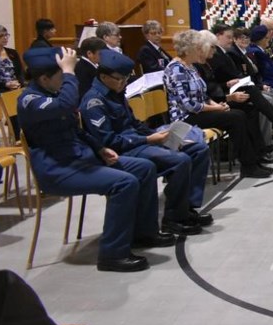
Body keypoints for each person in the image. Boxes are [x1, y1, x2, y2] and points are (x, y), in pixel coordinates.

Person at [18, 47, 171, 272]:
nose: (66, 81)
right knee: (124, 183)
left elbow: (76, 130)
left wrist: (100, 149)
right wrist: (70, 71)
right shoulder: (30, 100)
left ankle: (144, 233)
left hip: (81, 160)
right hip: (59, 170)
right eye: (62, 77)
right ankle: (113, 254)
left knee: (144, 168)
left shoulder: (50, 94)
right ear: (43, 78)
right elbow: (67, 104)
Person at [80, 50, 208, 235]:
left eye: (126, 79)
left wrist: (164, 135)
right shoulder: (94, 101)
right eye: (120, 79)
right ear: (103, 77)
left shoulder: (116, 92)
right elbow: (108, 140)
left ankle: (186, 207)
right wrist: (148, 139)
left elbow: (134, 123)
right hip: (124, 150)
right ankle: (173, 217)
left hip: (139, 141)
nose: (124, 84)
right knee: (180, 160)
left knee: (197, 149)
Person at [163, 30, 273, 179]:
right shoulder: (176, 69)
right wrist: (216, 108)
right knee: (236, 117)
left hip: (199, 112)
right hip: (186, 117)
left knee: (241, 114)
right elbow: (189, 105)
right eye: (198, 47)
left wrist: (219, 104)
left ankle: (253, 160)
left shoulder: (190, 66)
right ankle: (249, 165)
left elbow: (204, 95)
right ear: (189, 49)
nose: (201, 50)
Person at [0, 25, 25, 146]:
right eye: (1, 36)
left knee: (20, 96)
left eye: (6, 35)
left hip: (14, 86)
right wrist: (5, 84)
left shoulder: (12, 53)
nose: (5, 38)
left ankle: (19, 135)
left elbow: (20, 72)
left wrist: (19, 82)